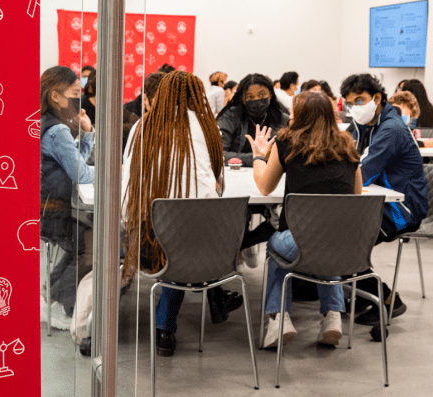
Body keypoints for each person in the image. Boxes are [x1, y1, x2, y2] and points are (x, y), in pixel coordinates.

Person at [122, 70, 243, 357]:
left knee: (173, 232)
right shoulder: (208, 130)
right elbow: (216, 187)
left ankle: (166, 328)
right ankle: (181, 316)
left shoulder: (143, 127)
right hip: (210, 251)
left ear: (159, 95)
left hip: (148, 247)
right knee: (188, 231)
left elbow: (127, 189)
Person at [246, 92, 361, 347]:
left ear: (300, 116)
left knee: (277, 247)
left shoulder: (287, 142)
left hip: (298, 242)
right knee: (325, 243)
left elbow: (264, 187)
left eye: (294, 112)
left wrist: (258, 156)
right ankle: (332, 316)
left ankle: (278, 318)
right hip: (343, 244)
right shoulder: (347, 144)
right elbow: (357, 195)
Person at [340, 73, 429, 324]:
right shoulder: (365, 122)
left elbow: (364, 173)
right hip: (377, 201)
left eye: (360, 101)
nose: (354, 108)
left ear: (377, 98)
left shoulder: (391, 129)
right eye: (350, 103)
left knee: (341, 242)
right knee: (336, 233)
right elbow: (342, 150)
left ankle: (388, 300)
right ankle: (358, 294)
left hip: (402, 209)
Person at [39, 66, 96, 330]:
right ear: (55, 96)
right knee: (93, 245)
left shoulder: (44, 123)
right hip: (57, 210)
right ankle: (61, 302)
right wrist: (112, 171)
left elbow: (77, 167)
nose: (78, 100)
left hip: (47, 207)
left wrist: (86, 133)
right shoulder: (58, 131)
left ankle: (48, 297)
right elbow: (81, 174)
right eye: (74, 93)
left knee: (86, 242)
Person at [216, 73, 291, 256]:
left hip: (270, 181)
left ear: (271, 95)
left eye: (261, 94)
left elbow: (288, 154)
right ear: (241, 98)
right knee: (232, 212)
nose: (256, 100)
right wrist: (259, 157)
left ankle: (242, 244)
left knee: (281, 219)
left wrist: (264, 160)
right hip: (234, 181)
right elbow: (218, 153)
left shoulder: (282, 119)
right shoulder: (230, 116)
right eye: (249, 97)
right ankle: (234, 247)